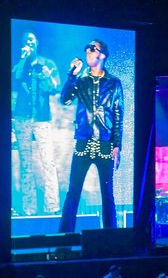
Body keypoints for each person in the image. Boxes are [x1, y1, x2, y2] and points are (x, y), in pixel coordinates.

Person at [58, 39, 124, 232]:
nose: (87, 51)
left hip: (104, 145)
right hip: (83, 144)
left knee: (107, 195)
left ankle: (111, 237)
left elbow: (119, 114)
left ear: (102, 54)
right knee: (73, 193)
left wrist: (117, 146)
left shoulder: (113, 83)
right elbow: (65, 99)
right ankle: (63, 238)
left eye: (92, 49)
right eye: (86, 48)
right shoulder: (81, 81)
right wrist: (72, 75)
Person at [11, 31, 61, 216]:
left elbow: (55, 88)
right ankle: (29, 209)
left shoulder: (47, 64)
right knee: (26, 164)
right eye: (25, 41)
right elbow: (13, 81)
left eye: (31, 40)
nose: (28, 43)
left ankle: (52, 207)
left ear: (37, 42)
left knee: (48, 162)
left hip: (41, 119)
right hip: (22, 118)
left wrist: (47, 76)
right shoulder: (20, 66)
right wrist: (23, 61)